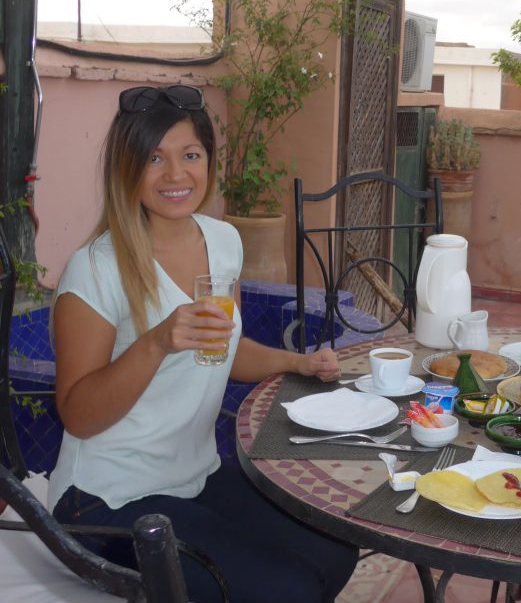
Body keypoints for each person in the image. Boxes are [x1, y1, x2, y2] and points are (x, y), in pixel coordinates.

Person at [48, 84, 358, 603]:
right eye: (154, 158)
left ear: (209, 162)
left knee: (334, 548)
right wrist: (155, 343)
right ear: (126, 168)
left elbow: (224, 347)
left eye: (190, 155)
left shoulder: (223, 241)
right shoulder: (95, 269)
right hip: (105, 500)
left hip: (194, 476)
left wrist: (298, 362)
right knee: (289, 589)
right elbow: (78, 415)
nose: (175, 175)